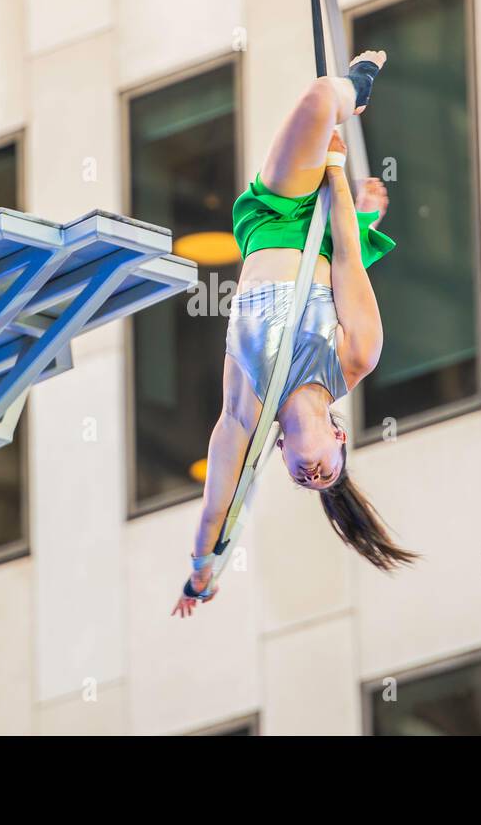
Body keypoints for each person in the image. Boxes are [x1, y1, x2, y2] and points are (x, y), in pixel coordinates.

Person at [172, 50, 418, 618]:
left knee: (313, 100)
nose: (315, 475)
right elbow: (350, 266)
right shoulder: (356, 358)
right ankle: (359, 85)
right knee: (322, 101)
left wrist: (200, 574)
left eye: (303, 480)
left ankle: (347, 97)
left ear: (280, 454)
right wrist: (337, 177)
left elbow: (217, 507)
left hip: (273, 219)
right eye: (329, 470)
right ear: (339, 439)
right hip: (326, 226)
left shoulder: (246, 413)